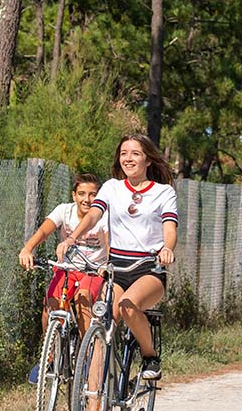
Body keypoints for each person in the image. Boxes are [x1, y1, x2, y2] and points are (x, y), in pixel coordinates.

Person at [58, 134, 178, 383]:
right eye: (124, 153)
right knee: (99, 328)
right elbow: (93, 215)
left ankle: (149, 356)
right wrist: (72, 238)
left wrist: (167, 249)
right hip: (116, 269)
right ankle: (91, 410)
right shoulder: (112, 187)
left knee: (128, 305)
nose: (128, 158)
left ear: (147, 159)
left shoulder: (163, 192)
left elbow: (169, 228)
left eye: (135, 153)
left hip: (148, 268)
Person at [18, 173, 110, 383]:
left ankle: (87, 358)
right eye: (82, 194)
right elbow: (44, 231)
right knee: (51, 306)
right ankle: (49, 356)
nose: (87, 199)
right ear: (74, 195)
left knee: (83, 300)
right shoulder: (64, 211)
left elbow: (108, 241)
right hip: (67, 268)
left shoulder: (102, 216)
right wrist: (27, 248)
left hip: (93, 270)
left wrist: (106, 263)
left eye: (93, 194)